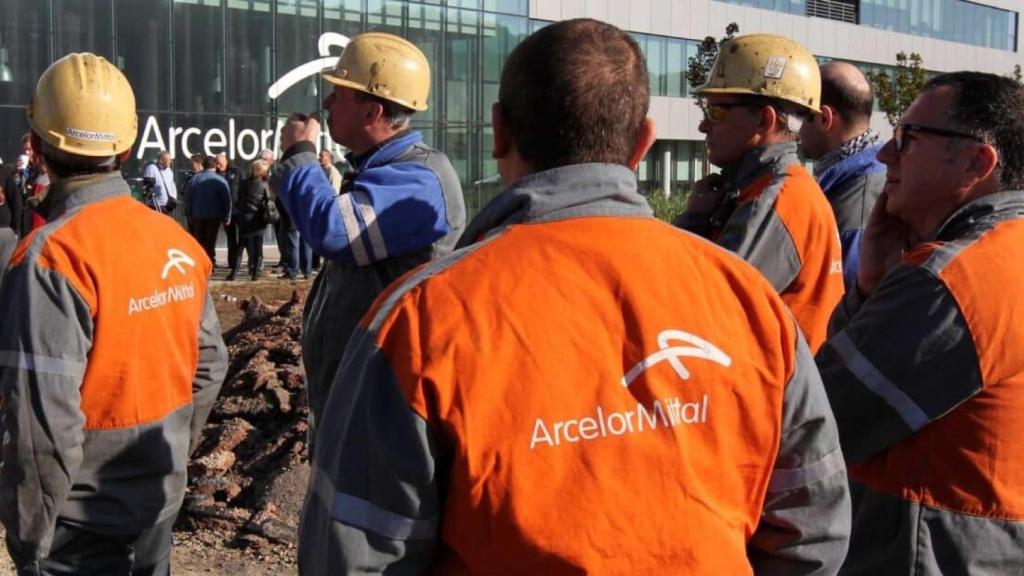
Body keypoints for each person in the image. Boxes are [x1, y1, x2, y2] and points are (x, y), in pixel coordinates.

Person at [298, 19, 849, 574]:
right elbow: (814, 529)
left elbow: (352, 554)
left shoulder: (419, 321)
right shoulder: (748, 299)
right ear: (643, 144)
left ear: (498, 133)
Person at [0, 52, 227, 575]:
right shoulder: (175, 241)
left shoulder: (49, 258)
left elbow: (42, 426)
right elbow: (211, 365)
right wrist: (168, 456)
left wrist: (31, 541)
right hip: (158, 501)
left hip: (79, 528)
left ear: (36, 147)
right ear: (127, 146)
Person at [816, 72, 1024, 573]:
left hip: (927, 553)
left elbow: (820, 419)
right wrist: (872, 284)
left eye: (907, 139)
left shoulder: (951, 281)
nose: (885, 155)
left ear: (978, 162)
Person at [273, 31, 466, 449]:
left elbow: (332, 232)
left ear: (372, 111)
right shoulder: (382, 172)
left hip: (387, 413)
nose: (326, 104)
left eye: (339, 95)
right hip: (359, 400)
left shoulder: (419, 180)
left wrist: (301, 155)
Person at [673, 34, 844, 353]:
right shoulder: (766, 190)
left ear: (764, 120)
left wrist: (693, 222)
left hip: (775, 394)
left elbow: (697, 313)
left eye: (717, 111)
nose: (704, 126)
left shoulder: (776, 200)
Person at [799, 62, 884, 289]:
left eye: (801, 116)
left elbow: (841, 301)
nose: (797, 131)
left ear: (824, 119)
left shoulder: (856, 203)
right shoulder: (875, 174)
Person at [184, 155, 231, 264]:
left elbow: (188, 198)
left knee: (198, 241)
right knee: (210, 241)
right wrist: (227, 215)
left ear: (203, 165)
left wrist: (188, 213)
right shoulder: (220, 180)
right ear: (215, 165)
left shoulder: (194, 179)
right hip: (214, 215)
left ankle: (199, 263)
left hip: (198, 215)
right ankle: (209, 262)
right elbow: (226, 200)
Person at [231, 159, 274, 281]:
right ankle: (255, 273)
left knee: (241, 246)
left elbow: (238, 200)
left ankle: (234, 272)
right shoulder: (265, 184)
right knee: (258, 245)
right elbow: (268, 200)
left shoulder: (243, 183)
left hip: (245, 217)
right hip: (258, 218)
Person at [215, 153, 242, 272]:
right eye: (216, 163)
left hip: (237, 209)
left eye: (219, 163)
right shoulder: (215, 173)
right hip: (221, 210)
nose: (218, 165)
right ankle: (232, 262)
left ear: (225, 161)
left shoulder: (235, 172)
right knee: (230, 237)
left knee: (241, 237)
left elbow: (242, 187)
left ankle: (238, 261)